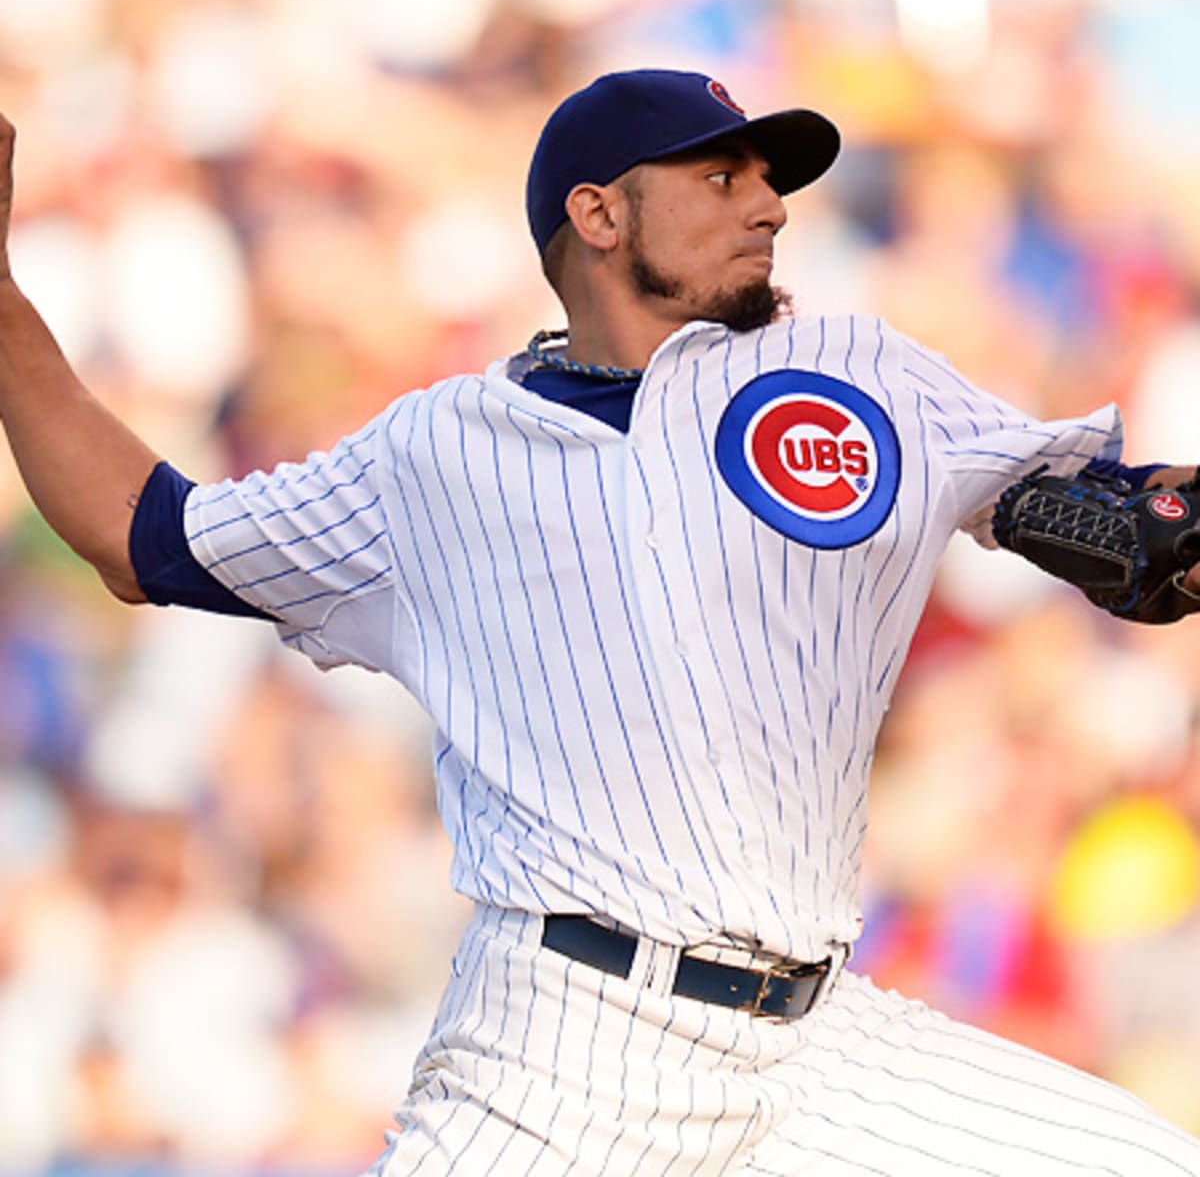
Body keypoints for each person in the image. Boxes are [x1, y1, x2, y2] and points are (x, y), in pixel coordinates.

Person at [2, 68, 1199, 1176]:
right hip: (562, 1057)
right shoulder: (436, 455)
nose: (771, 206)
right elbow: (141, 533)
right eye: (724, 177)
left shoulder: (858, 370)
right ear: (600, 216)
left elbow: (1114, 524)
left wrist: (1151, 536)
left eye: (771, 180)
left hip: (825, 1044)